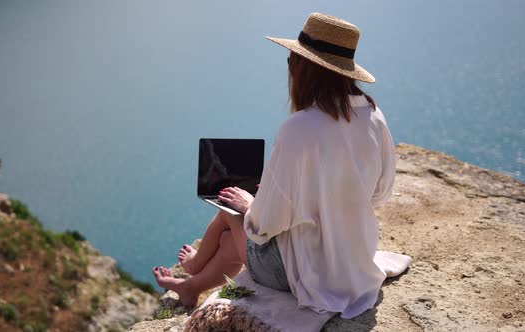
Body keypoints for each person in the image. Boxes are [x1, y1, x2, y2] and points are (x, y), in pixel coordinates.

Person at [153, 12, 396, 319]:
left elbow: (262, 226)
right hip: (353, 261)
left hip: (310, 276)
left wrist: (252, 204)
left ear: (303, 68)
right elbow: (381, 194)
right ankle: (193, 285)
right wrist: (320, 202)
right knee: (231, 236)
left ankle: (193, 268)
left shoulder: (300, 127)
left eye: (291, 60)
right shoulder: (374, 116)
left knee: (231, 213)